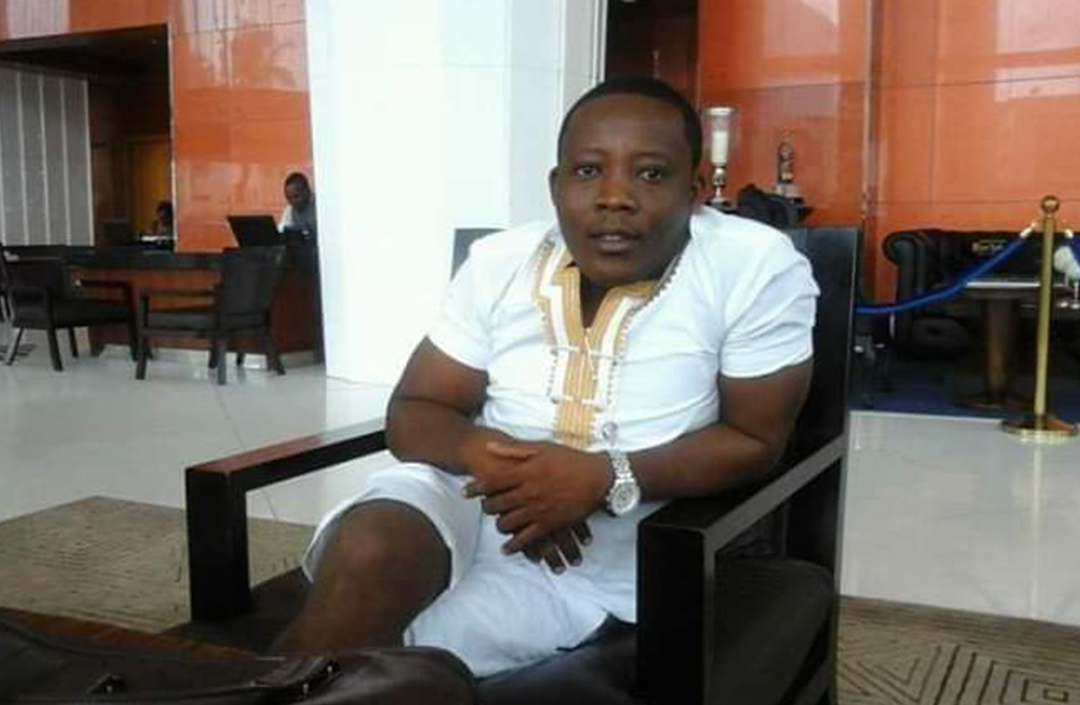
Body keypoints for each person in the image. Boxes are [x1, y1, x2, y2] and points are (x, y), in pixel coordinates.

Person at [275, 76, 819, 678]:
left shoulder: (752, 266)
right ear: (556, 187)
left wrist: (601, 477)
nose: (615, 197)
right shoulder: (501, 262)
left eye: (651, 174)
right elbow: (415, 410)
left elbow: (755, 439)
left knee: (381, 659)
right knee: (370, 548)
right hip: (471, 491)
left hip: (604, 556)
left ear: (693, 192)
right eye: (588, 172)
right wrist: (517, 478)